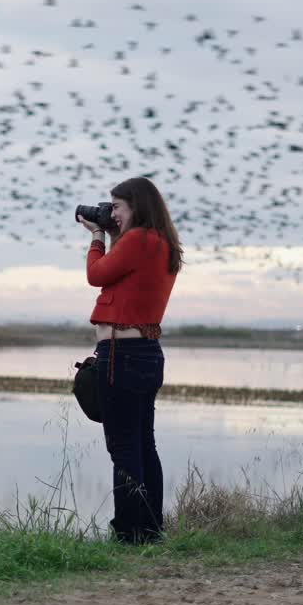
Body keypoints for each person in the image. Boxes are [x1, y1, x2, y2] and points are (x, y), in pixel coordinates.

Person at [77, 177, 183, 544]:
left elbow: (96, 275)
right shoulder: (161, 243)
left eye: (118, 207)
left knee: (123, 448)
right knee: (142, 444)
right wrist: (116, 233)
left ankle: (128, 534)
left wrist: (96, 238)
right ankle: (151, 529)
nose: (113, 214)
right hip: (147, 354)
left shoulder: (139, 240)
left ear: (137, 206)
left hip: (120, 356)